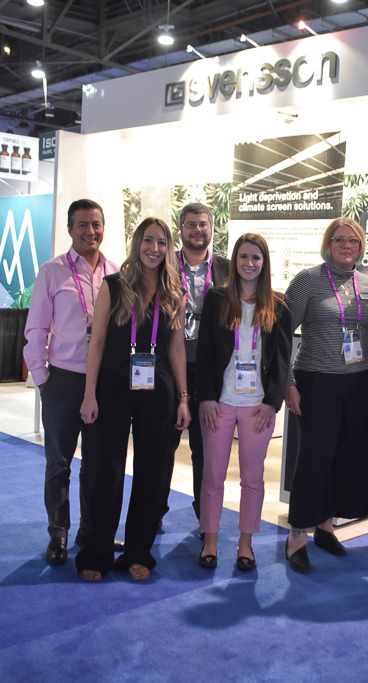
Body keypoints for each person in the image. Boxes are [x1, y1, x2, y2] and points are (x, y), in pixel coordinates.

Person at [77, 217, 190, 581]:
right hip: (112, 387)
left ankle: (138, 552)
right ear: (137, 243)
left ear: (168, 248)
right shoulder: (114, 285)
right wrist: (89, 394)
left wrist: (183, 397)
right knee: (106, 472)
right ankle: (97, 552)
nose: (154, 249)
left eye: (162, 242)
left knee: (152, 473)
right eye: (148, 240)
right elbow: (96, 343)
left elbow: (176, 348)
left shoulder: (175, 292)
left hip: (158, 390)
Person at [283, 217, 368, 573]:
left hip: (359, 381)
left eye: (353, 241)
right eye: (339, 239)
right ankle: (297, 534)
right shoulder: (307, 281)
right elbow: (281, 333)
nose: (346, 246)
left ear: (360, 247)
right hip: (317, 381)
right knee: (316, 456)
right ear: (328, 244)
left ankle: (325, 528)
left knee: (347, 455)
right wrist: (287, 382)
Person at [23, 199, 119, 566]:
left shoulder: (116, 273)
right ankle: (58, 534)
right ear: (70, 230)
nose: (90, 231)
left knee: (96, 463)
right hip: (63, 381)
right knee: (59, 463)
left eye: (96, 224)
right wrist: (44, 380)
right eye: (82, 225)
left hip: (103, 383)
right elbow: (35, 330)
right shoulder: (52, 272)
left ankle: (90, 531)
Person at [195, 233, 292, 570]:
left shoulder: (278, 305)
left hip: (257, 407)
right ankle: (210, 540)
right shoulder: (217, 298)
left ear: (264, 263)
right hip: (219, 403)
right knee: (212, 476)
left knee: (252, 479)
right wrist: (206, 398)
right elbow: (205, 352)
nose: (249, 263)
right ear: (234, 260)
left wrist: (272, 402)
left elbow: (282, 358)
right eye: (243, 257)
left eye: (256, 258)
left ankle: (245, 544)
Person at [163, 203, 230, 534]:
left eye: (203, 224)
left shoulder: (227, 268)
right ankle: (154, 512)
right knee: (163, 446)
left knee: (206, 451)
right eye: (191, 224)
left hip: (210, 373)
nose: (198, 230)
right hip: (169, 368)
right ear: (181, 229)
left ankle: (206, 518)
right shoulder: (164, 265)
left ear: (211, 228)